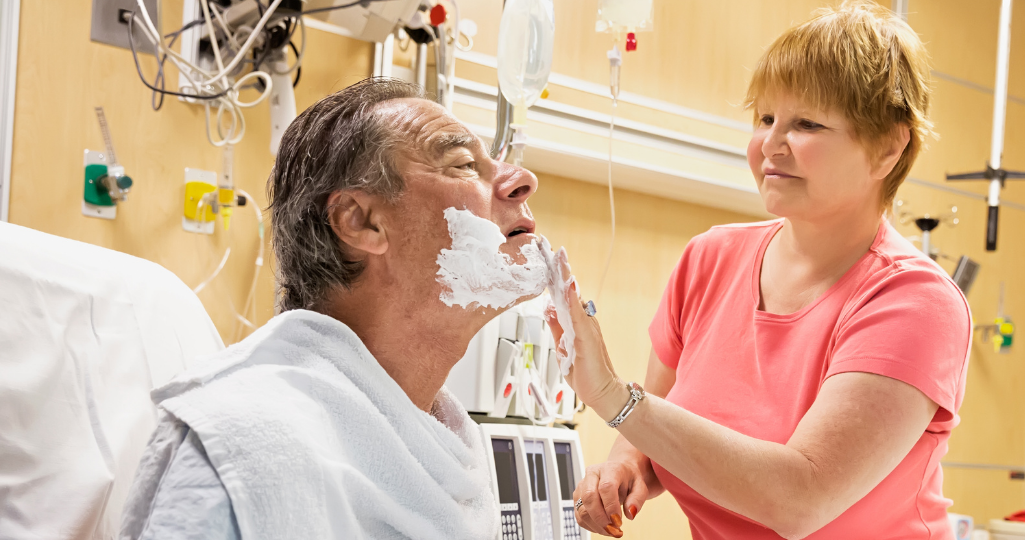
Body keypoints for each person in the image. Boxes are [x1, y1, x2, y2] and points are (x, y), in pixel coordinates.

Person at [552, 3, 972, 539]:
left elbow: (800, 499)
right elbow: (650, 430)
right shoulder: (709, 261)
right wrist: (624, 467)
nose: (771, 144)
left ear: (889, 147)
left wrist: (611, 396)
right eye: (765, 118)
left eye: (807, 124)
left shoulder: (913, 301)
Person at [118, 78, 544, 540]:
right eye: (463, 163)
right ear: (360, 221)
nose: (523, 179)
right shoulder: (244, 449)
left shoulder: (456, 458)